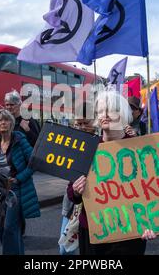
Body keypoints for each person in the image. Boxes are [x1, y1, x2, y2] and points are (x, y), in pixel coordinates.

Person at [67, 90, 156, 255]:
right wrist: (77, 190)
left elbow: (154, 190)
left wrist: (152, 223)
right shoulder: (87, 148)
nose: (104, 115)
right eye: (100, 111)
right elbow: (71, 193)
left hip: (130, 232)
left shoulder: (140, 149)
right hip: (93, 230)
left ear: (122, 113)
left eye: (110, 110)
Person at [0, 109, 40, 255]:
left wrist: (18, 178)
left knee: (10, 227)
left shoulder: (19, 139)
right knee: (0, 228)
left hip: (15, 190)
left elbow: (34, 162)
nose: (3, 122)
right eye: (0, 120)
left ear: (11, 123)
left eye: (6, 120)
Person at [59, 102, 96, 255]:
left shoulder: (101, 142)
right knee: (64, 249)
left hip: (92, 204)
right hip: (72, 204)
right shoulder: (72, 142)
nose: (81, 127)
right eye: (77, 123)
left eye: (85, 123)